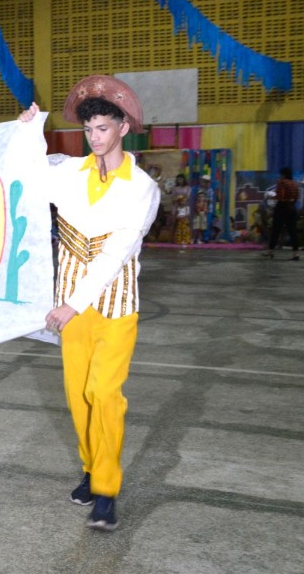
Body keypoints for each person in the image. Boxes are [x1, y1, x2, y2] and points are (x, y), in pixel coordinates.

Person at [21, 75, 159, 532]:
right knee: (79, 398)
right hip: (71, 310)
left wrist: (72, 304)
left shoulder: (141, 187)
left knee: (104, 394)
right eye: (89, 130)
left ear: (122, 127)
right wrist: (25, 132)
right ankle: (89, 466)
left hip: (114, 310)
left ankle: (106, 490)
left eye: (103, 127)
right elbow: (28, 173)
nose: (95, 137)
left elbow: (116, 253)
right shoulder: (70, 173)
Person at [263, 167, 300, 260]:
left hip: (281, 208)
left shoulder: (281, 182)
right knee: (293, 232)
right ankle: (296, 254)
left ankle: (270, 251)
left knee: (276, 230)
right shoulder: (294, 184)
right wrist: (291, 203)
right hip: (292, 208)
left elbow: (280, 196)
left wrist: (271, 196)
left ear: (283, 174)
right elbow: (296, 197)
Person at [171, 174, 192, 245]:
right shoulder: (175, 188)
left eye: (181, 179)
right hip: (176, 206)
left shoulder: (188, 188)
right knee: (174, 222)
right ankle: (173, 239)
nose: (180, 181)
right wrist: (177, 199)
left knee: (184, 224)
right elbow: (173, 198)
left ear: (184, 179)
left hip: (184, 205)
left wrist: (182, 200)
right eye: (178, 179)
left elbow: (188, 197)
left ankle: (185, 238)